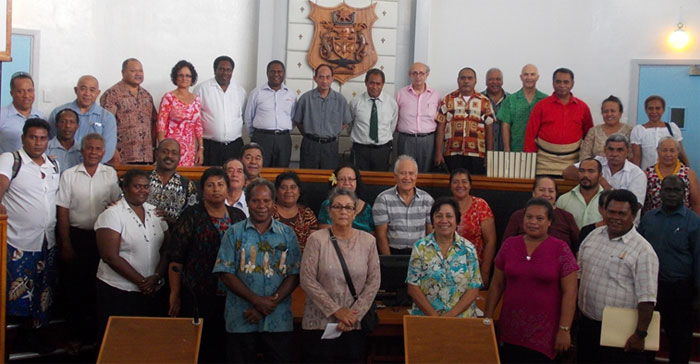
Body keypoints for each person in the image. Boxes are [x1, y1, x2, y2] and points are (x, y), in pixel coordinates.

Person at [213, 178, 301, 363]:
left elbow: (294, 274)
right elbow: (225, 273)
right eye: (255, 200)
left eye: (266, 201)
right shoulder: (234, 232)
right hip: (241, 318)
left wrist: (266, 306)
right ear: (248, 201)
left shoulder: (287, 234)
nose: (261, 205)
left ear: (273, 202)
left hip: (278, 320)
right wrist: (256, 301)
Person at [168, 167, 246, 363]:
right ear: (203, 189)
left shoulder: (238, 216)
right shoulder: (191, 215)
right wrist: (174, 293)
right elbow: (176, 258)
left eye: (220, 185)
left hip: (231, 293)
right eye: (210, 185)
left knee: (227, 345)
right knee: (201, 346)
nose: (216, 189)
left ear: (228, 189)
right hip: (197, 293)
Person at [486, 198, 578, 363]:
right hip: (510, 330)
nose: (533, 222)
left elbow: (570, 293)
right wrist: (487, 318)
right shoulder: (510, 245)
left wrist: (564, 329)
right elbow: (496, 285)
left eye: (540, 218)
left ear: (550, 222)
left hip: (544, 333)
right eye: (529, 217)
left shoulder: (561, 248)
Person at [577, 189, 659, 363]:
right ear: (604, 211)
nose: (615, 217)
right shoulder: (593, 236)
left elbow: (647, 299)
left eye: (622, 213)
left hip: (620, 332)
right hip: (587, 325)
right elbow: (579, 274)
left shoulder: (643, 251)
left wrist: (640, 334)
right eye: (611, 212)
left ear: (633, 215)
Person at [300, 188, 380, 363]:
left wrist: (352, 316)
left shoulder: (368, 241)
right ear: (329, 212)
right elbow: (307, 280)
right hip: (320, 323)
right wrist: (337, 311)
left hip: (353, 325)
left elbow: (374, 281)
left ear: (355, 213)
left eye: (348, 207)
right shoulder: (316, 239)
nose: (343, 211)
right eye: (337, 206)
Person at [56, 133, 120, 351]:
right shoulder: (68, 175)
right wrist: (65, 244)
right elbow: (62, 211)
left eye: (98, 149)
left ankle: (97, 339)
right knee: (74, 290)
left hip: (102, 239)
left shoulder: (110, 174)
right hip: (76, 237)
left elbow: (116, 204)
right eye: (89, 148)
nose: (93, 152)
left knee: (99, 289)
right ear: (82, 151)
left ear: (104, 152)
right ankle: (75, 337)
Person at [0, 118, 59, 350]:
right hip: (17, 243)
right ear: (24, 138)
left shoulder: (53, 164)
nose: (38, 142)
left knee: (42, 297)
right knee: (14, 298)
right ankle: (7, 345)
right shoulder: (11, 160)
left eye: (43, 138)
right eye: (33, 137)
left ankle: (35, 339)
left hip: (47, 242)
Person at [94, 169, 169, 337]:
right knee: (117, 340)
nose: (142, 190)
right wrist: (142, 282)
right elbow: (109, 256)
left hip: (152, 288)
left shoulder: (154, 212)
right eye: (137, 186)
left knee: (144, 340)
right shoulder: (112, 214)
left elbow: (167, 249)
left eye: (146, 186)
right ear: (125, 188)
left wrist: (156, 277)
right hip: (119, 290)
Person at [638, 176, 700, 364]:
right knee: (646, 338)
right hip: (649, 290)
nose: (672, 194)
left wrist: (697, 296)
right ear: (660, 192)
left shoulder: (694, 221)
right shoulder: (648, 218)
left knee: (679, 342)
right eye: (668, 190)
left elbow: (698, 259)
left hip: (680, 291)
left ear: (684, 193)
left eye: (677, 190)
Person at [406, 197, 482, 317]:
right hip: (427, 320)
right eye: (439, 216)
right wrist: (435, 318)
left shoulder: (468, 249)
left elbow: (474, 288)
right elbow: (413, 287)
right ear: (432, 220)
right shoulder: (420, 247)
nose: (444, 220)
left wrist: (449, 317)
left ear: (457, 220)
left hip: (461, 320)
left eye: (449, 216)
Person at [524, 68, 593, 176]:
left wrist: (587, 162)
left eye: (566, 82)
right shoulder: (541, 106)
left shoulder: (582, 107)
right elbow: (530, 135)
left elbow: (589, 137)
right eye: (558, 82)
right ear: (553, 83)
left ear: (572, 84)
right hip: (544, 162)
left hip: (572, 162)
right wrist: (529, 162)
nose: (562, 85)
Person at [434, 67, 495, 174]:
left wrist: (489, 155)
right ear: (458, 80)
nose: (466, 81)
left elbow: (489, 129)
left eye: (469, 78)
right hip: (452, 153)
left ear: (475, 81)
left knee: (475, 186)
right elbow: (440, 127)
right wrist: (438, 153)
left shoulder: (484, 102)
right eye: (463, 78)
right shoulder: (448, 100)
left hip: (477, 154)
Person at [562, 134, 647, 210]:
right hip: (594, 215)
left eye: (620, 150)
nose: (614, 154)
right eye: (611, 149)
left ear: (627, 152)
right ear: (605, 150)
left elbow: (635, 205)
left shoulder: (637, 174)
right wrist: (594, 176)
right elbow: (567, 173)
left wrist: (604, 184)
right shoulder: (597, 161)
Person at [48, 75, 118, 164]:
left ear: (98, 93)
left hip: (93, 168)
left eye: (92, 90)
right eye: (83, 88)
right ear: (76, 90)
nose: (87, 93)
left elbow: (108, 149)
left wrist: (89, 166)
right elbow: (51, 142)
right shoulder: (59, 113)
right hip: (61, 164)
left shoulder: (107, 117)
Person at [100, 58, 158, 164]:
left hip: (146, 156)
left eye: (140, 71)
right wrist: (111, 149)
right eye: (133, 71)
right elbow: (105, 124)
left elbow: (154, 124)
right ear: (123, 73)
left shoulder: (146, 95)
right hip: (121, 157)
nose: (138, 74)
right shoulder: (112, 94)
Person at [294, 64, 351, 169]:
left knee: (329, 179)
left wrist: (332, 132)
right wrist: (310, 134)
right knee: (307, 177)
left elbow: (344, 122)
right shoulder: (305, 99)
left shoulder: (340, 100)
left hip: (330, 146)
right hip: (310, 145)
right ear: (315, 79)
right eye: (321, 77)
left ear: (332, 79)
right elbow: (298, 121)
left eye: (328, 77)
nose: (324, 81)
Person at [373, 155, 434, 255]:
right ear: (395, 176)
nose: (407, 178)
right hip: (393, 254)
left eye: (411, 173)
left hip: (421, 255)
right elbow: (381, 235)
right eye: (402, 173)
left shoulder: (427, 200)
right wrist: (389, 262)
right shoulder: (383, 199)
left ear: (416, 176)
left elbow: (430, 234)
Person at [503, 176, 579, 252]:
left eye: (551, 191)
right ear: (533, 193)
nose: (546, 194)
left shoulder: (566, 217)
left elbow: (578, 247)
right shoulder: (518, 216)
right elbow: (505, 247)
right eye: (542, 190)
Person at [195, 55, 246, 166]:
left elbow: (243, 116)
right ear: (215, 70)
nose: (225, 73)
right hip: (210, 146)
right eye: (221, 69)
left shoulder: (240, 91)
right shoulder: (202, 89)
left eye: (228, 70)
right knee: (210, 178)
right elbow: (195, 118)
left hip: (235, 146)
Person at [449, 168, 496, 286]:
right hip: (448, 269)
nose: (460, 185)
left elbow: (490, 242)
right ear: (450, 185)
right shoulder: (445, 206)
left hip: (475, 269)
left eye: (464, 181)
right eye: (455, 182)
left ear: (470, 185)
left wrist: (484, 273)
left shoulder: (480, 205)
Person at [245, 60, 296, 168]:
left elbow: (293, 117)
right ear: (267, 73)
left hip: (283, 139)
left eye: (279, 72)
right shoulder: (256, 93)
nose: (276, 74)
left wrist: (282, 131)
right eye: (272, 71)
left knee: (282, 172)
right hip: (262, 138)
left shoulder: (291, 94)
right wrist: (256, 135)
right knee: (259, 170)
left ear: (284, 73)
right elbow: (248, 117)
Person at [395, 62, 441, 173]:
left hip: (428, 140)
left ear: (427, 75)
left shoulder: (435, 95)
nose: (418, 77)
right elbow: (394, 117)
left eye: (421, 73)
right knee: (405, 171)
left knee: (426, 172)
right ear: (410, 75)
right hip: (406, 140)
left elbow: (440, 120)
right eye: (414, 73)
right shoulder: (401, 94)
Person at [349, 68, 398, 171]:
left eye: (378, 83)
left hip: (382, 150)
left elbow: (392, 126)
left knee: (380, 182)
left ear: (383, 84)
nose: (374, 87)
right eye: (371, 83)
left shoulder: (391, 103)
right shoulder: (355, 102)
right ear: (366, 83)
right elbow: (350, 124)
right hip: (360, 150)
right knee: (359, 180)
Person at [157, 60, 203, 166]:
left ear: (192, 79)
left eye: (188, 76)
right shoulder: (169, 97)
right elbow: (161, 124)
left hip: (189, 149)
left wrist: (200, 148)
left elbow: (198, 125)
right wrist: (162, 148)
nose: (184, 78)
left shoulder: (196, 99)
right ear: (175, 77)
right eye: (181, 75)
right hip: (171, 149)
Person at [642, 136, 700, 215]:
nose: (668, 154)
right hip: (654, 221)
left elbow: (696, 203)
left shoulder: (688, 174)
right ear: (658, 151)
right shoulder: (647, 173)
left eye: (672, 151)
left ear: (678, 152)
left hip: (683, 221)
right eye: (664, 150)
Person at [146, 139, 198, 225]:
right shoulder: (142, 179)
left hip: (174, 235)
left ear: (179, 157)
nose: (169, 156)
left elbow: (192, 220)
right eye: (165, 152)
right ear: (156, 154)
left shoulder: (188, 186)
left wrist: (172, 221)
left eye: (174, 153)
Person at [498, 64, 547, 152]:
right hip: (516, 148)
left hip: (540, 149)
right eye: (526, 74)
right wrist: (507, 148)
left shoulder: (545, 100)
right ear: (521, 77)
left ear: (537, 77)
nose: (529, 77)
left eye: (532, 74)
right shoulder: (511, 100)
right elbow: (505, 125)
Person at [632, 95, 689, 171]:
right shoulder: (638, 130)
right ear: (646, 110)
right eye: (650, 108)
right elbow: (637, 156)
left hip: (672, 174)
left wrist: (688, 170)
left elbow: (680, 152)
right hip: (647, 174)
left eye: (658, 108)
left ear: (663, 110)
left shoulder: (672, 128)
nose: (654, 112)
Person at [318, 163, 375, 234]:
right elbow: (325, 235)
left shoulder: (367, 208)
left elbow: (371, 237)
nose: (346, 183)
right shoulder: (327, 205)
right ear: (335, 182)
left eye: (350, 179)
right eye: (342, 179)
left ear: (357, 182)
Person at [272, 171, 318, 251]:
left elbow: (314, 243)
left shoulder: (307, 214)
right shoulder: (268, 212)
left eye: (293, 187)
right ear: (276, 192)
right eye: (283, 187)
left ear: (299, 191)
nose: (288, 191)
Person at [0, 72, 44, 154]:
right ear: (12, 93)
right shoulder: (2, 115)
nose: (26, 95)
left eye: (30, 91)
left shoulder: (41, 117)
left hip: (33, 166)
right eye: (20, 91)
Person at [579, 95, 633, 160]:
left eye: (613, 111)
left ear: (620, 113)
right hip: (596, 169)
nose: (609, 114)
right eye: (606, 111)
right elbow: (584, 156)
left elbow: (632, 156)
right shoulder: (593, 131)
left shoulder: (630, 131)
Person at [555, 157, 604, 228]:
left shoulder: (608, 201)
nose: (585, 175)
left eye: (591, 171)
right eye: (582, 171)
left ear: (600, 175)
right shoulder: (564, 200)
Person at [482, 68, 509, 151]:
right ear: (486, 82)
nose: (494, 82)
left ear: (502, 81)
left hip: (506, 151)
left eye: (498, 79)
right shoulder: (479, 100)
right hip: (483, 151)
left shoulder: (510, 100)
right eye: (491, 79)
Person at [46, 108, 81, 173]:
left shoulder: (82, 151)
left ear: (77, 126)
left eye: (72, 122)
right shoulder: (45, 148)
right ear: (56, 125)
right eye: (63, 122)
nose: (67, 126)